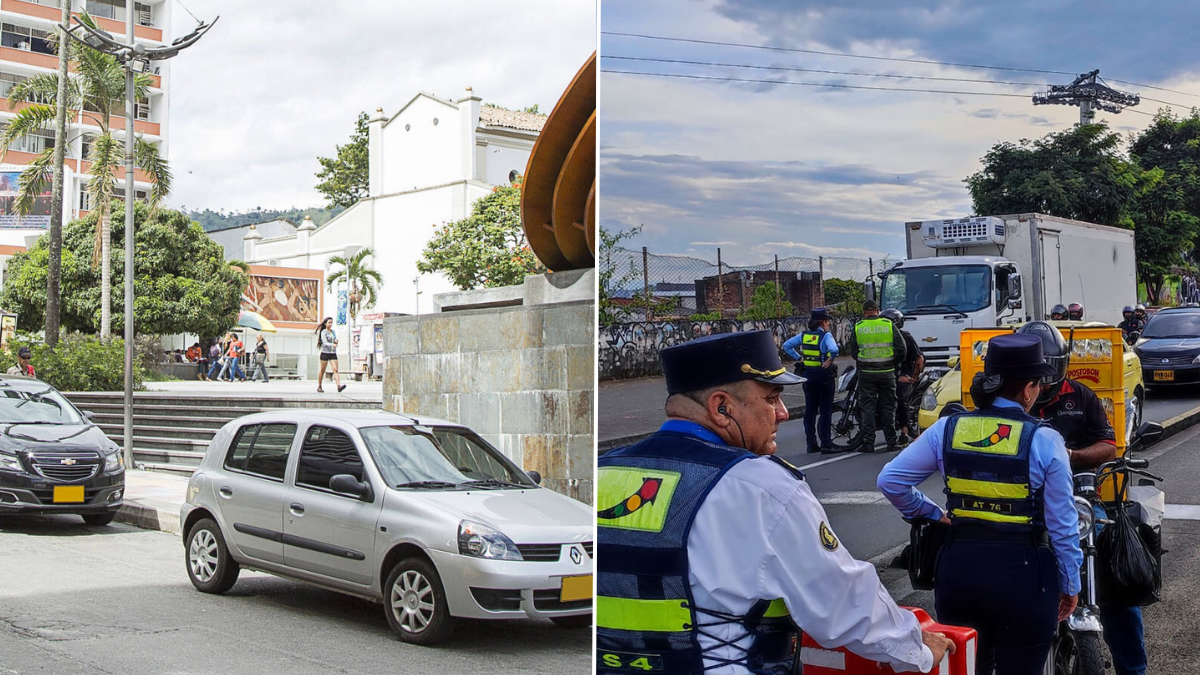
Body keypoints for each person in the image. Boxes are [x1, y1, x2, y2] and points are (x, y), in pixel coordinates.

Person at [597, 330, 953, 675]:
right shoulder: (760, 486)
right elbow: (842, 602)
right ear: (721, 407)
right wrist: (916, 649)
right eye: (770, 399)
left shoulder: (604, 471)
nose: (783, 413)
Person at [877, 333, 1082, 675]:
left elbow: (890, 481)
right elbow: (1063, 526)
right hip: (1026, 575)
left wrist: (930, 512)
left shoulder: (947, 429)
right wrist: (1070, 585)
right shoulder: (1045, 440)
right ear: (1029, 389)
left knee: (968, 667)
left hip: (960, 572)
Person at [1020, 321, 1146, 675]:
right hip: (1024, 505)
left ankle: (1133, 670)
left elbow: (1108, 444)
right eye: (1035, 374)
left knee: (1119, 588)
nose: (1041, 383)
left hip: (1080, 505)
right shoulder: (1012, 404)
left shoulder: (1081, 396)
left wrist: (1070, 457)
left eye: (1047, 373)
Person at [845, 299, 906, 453]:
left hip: (866, 374)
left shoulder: (858, 327)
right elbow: (902, 348)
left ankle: (868, 444)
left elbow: (853, 352)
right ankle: (891, 442)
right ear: (877, 310)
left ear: (864, 311)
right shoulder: (888, 324)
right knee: (888, 407)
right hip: (887, 373)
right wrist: (893, 363)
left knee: (868, 408)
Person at [782, 307, 839, 454]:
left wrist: (800, 358)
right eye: (827, 322)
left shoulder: (804, 336)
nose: (828, 324)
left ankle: (811, 444)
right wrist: (830, 359)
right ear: (823, 322)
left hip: (808, 375)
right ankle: (826, 444)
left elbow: (786, 346)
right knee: (826, 411)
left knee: (810, 410)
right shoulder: (826, 336)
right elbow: (835, 349)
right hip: (824, 375)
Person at [882, 308, 924, 444]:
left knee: (900, 397)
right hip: (887, 375)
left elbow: (919, 360)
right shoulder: (882, 338)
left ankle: (904, 432)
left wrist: (912, 378)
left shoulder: (906, 337)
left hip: (904, 375)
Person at [315, 317, 345, 393]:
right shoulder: (323, 332)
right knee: (322, 370)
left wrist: (336, 341)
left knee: (335, 369)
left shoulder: (333, 332)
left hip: (333, 353)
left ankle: (339, 386)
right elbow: (324, 342)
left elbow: (335, 340)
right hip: (325, 353)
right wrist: (332, 344)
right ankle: (319, 386)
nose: (330, 324)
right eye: (329, 322)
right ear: (325, 324)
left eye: (331, 322)